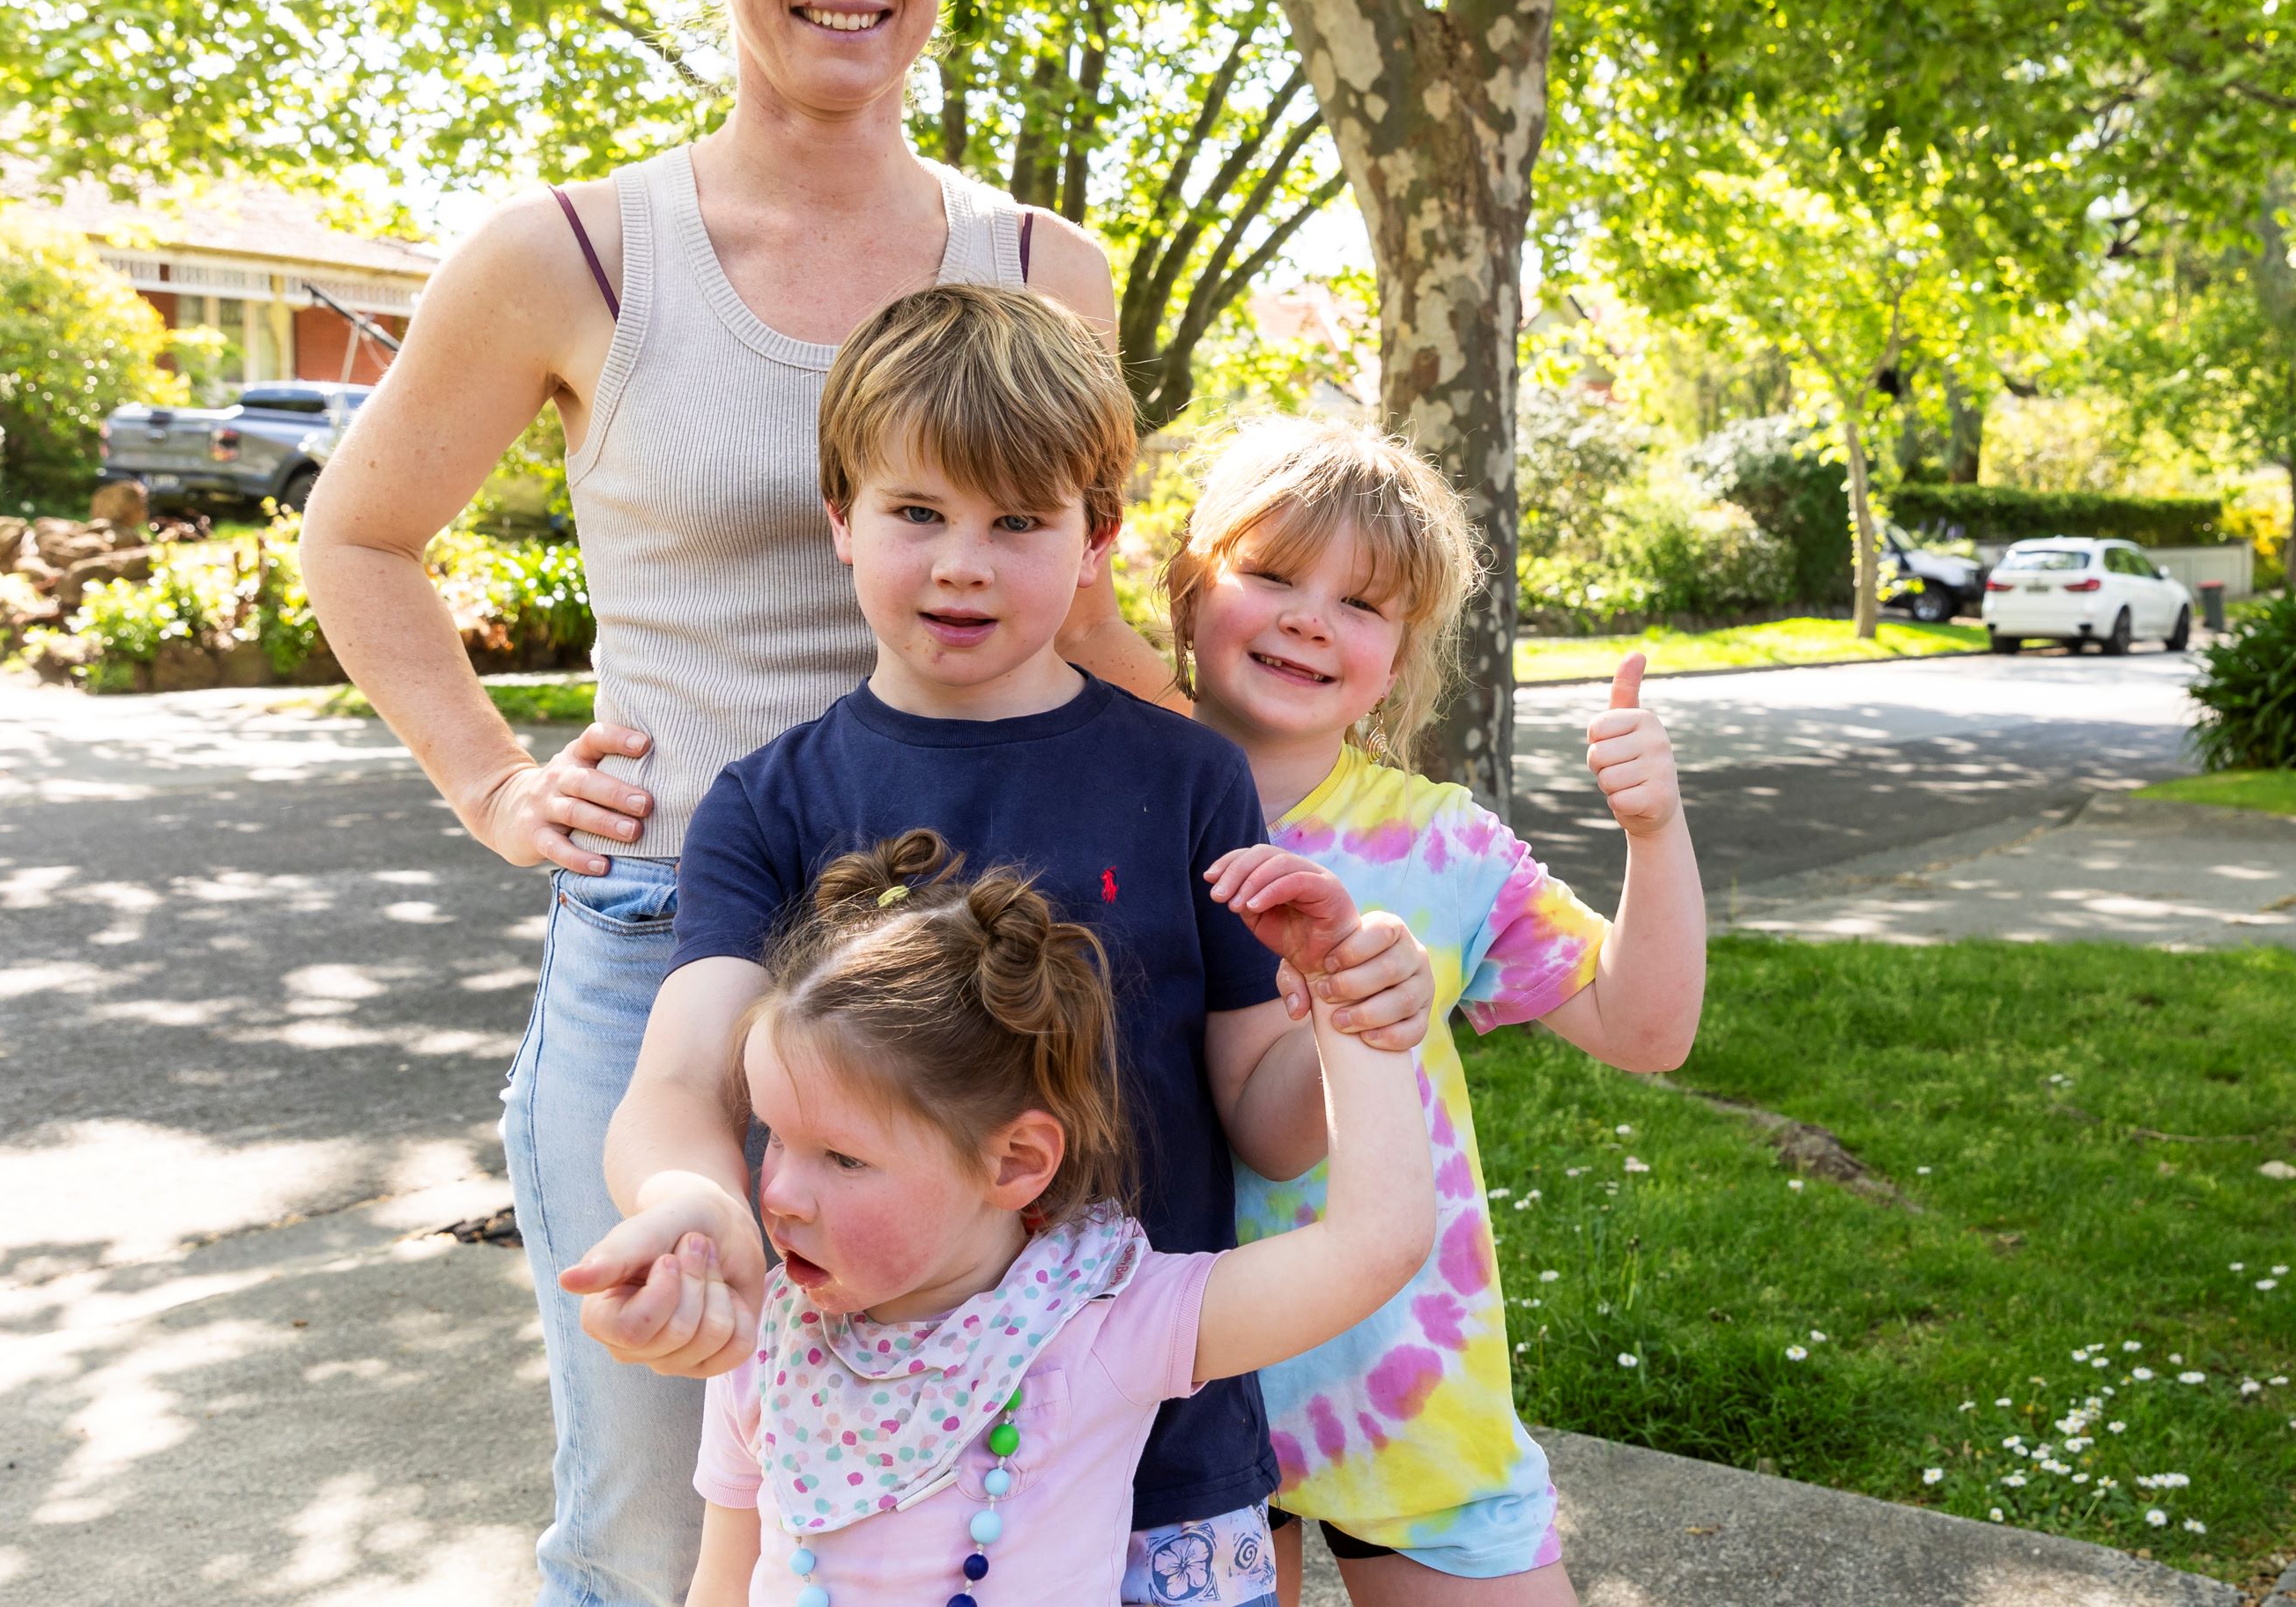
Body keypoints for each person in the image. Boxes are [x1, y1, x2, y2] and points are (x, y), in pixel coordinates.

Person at [300, 0, 1188, 1606]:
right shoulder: (569, 253)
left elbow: (1089, 603)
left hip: (994, 965)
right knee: (657, 1512)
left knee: (978, 1517)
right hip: (670, 938)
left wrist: (1298, 798)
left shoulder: (1047, 261)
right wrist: (490, 777)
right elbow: (357, 538)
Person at [563, 285, 1436, 1605]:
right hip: (871, 1456)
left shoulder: (1192, 777)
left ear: (1094, 540)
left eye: (1016, 521)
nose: (961, 562)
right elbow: (685, 1081)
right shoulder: (768, 801)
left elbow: (1266, 1118)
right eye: (917, 512)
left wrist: (1339, 1007)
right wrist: (689, 1205)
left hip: (1161, 1446)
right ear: (839, 520)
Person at [1163, 417, 1709, 1603]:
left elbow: (1646, 1027)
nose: (1310, 616)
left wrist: (1653, 832)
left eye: (1361, 602)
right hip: (1171, 1401)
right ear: (1184, 590)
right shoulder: (1109, 797)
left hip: (1407, 1385)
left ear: (1402, 656)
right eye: (1267, 574)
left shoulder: (1442, 842)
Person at [687, 828, 1436, 1607]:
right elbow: (720, 1582)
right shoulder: (760, 1338)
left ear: (1013, 1163)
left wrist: (1349, 995)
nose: (775, 1194)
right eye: (774, 1136)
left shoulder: (1099, 1324)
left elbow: (1372, 1247)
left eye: (842, 1158)